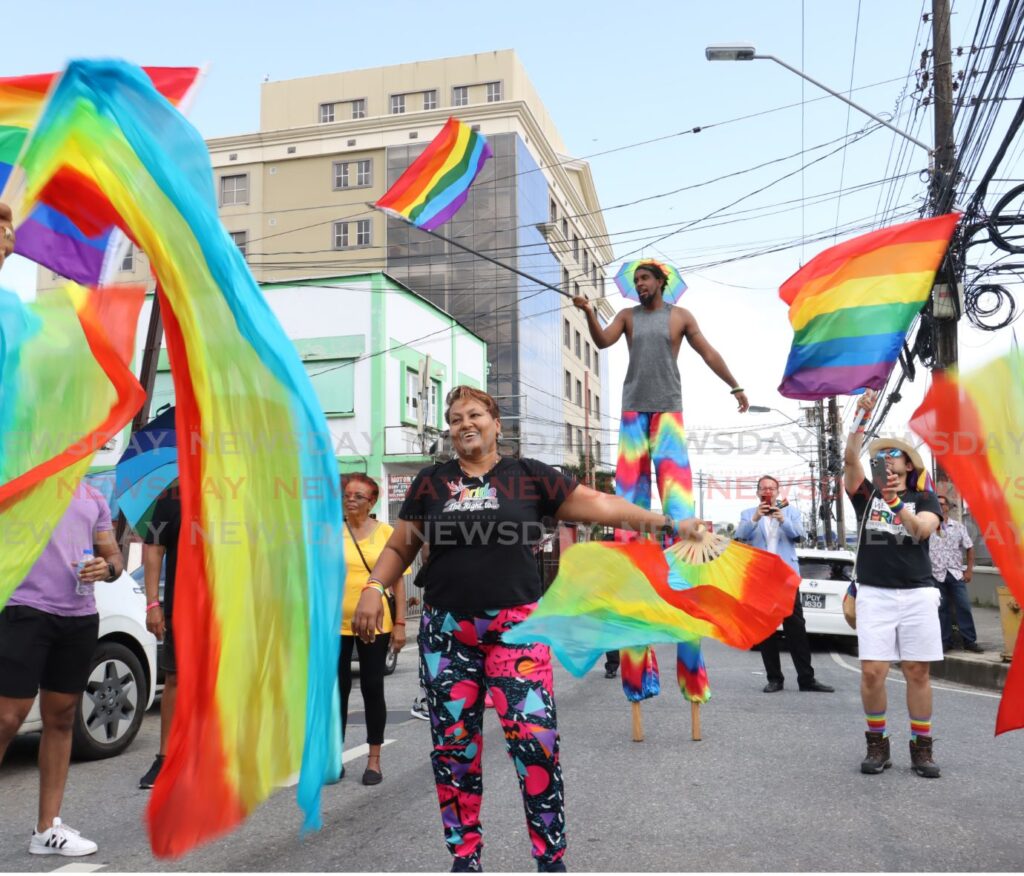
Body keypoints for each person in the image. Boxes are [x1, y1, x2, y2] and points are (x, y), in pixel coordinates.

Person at [352, 385, 704, 873]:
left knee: (534, 742)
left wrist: (665, 522)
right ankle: (464, 857)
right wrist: (374, 587)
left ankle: (550, 859)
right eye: (454, 419)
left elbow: (600, 505)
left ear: (497, 424)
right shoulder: (431, 483)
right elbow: (400, 548)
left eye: (474, 414)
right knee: (454, 751)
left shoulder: (529, 476)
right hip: (446, 634)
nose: (464, 424)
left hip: (516, 631)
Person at [574, 260, 748, 701]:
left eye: (645, 279)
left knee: (679, 511)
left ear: (661, 283)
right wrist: (588, 312)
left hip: (668, 414)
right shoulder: (628, 317)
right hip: (634, 414)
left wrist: (735, 386)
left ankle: (692, 668)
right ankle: (637, 671)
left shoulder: (680, 317)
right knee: (630, 512)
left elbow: (708, 352)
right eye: (635, 281)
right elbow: (602, 340)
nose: (640, 285)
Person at [0, 481, 124, 856]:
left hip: (78, 616)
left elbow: (114, 556)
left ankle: (46, 829)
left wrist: (107, 568)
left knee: (61, 718)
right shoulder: (19, 481)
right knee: (7, 718)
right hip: (23, 609)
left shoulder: (93, 496)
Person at [844, 390, 942, 778]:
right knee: (873, 672)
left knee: (918, 671)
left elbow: (920, 532)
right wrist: (859, 419)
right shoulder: (866, 496)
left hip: (917, 592)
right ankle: (877, 743)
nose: (886, 461)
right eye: (881, 456)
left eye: (894, 455)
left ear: (907, 464)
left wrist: (898, 505)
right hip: (875, 593)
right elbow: (850, 459)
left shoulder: (926, 498)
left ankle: (922, 747)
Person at [735, 475, 834, 694]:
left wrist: (782, 520)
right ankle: (774, 679)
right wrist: (754, 518)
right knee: (766, 629)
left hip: (786, 578)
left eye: (771, 488)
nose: (768, 491)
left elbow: (800, 535)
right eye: (763, 488)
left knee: (796, 627)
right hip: (761, 579)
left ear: (778, 492)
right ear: (758, 492)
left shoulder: (791, 512)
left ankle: (806, 679)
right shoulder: (747, 513)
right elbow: (739, 536)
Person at [341, 473, 406, 785]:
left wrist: (401, 625)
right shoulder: (330, 532)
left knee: (371, 687)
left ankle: (374, 760)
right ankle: (333, 756)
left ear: (372, 502)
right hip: (335, 625)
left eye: (358, 496)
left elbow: (397, 581)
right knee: (336, 691)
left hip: (376, 625)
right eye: (347, 494)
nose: (350, 499)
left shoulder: (386, 533)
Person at [138, 486, 182, 789]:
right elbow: (153, 547)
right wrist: (153, 603)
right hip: (182, 606)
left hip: (228, 607)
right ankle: (166, 757)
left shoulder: (237, 496)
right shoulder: (171, 497)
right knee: (176, 679)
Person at [930, 494, 981, 652]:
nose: (939, 506)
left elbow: (969, 547)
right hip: (936, 574)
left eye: (942, 503)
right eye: (936, 503)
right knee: (942, 609)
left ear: (948, 507)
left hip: (956, 574)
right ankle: (945, 642)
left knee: (963, 606)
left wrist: (969, 570)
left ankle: (969, 641)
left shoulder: (958, 527)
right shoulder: (928, 527)